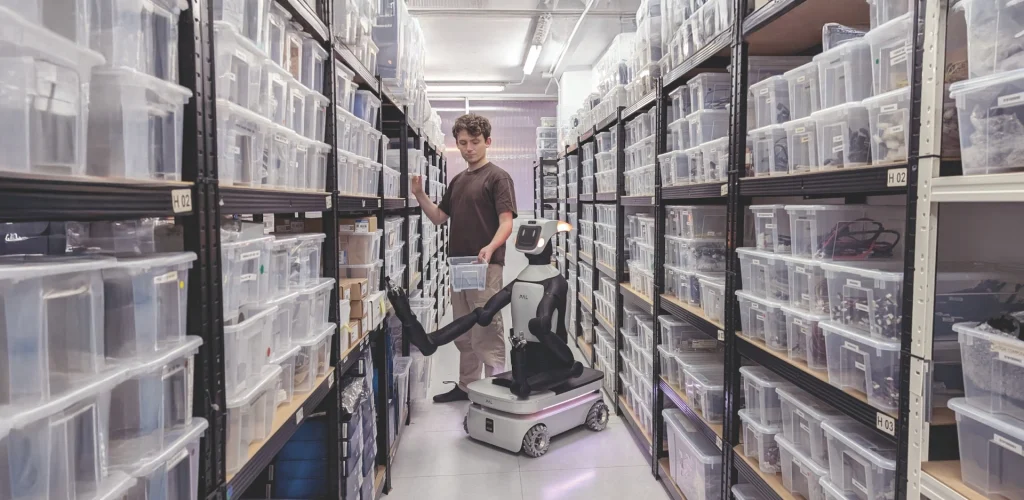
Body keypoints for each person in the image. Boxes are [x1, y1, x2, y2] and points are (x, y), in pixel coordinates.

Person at [410, 113, 517, 403]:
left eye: (475, 142)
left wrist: (490, 247)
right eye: (463, 143)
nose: (469, 148)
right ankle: (467, 385)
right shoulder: (457, 181)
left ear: (487, 142)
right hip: (459, 266)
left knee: (487, 327)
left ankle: (495, 387)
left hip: (485, 266)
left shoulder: (498, 178)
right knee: (464, 329)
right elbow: (438, 218)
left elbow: (506, 222)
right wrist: (419, 195)